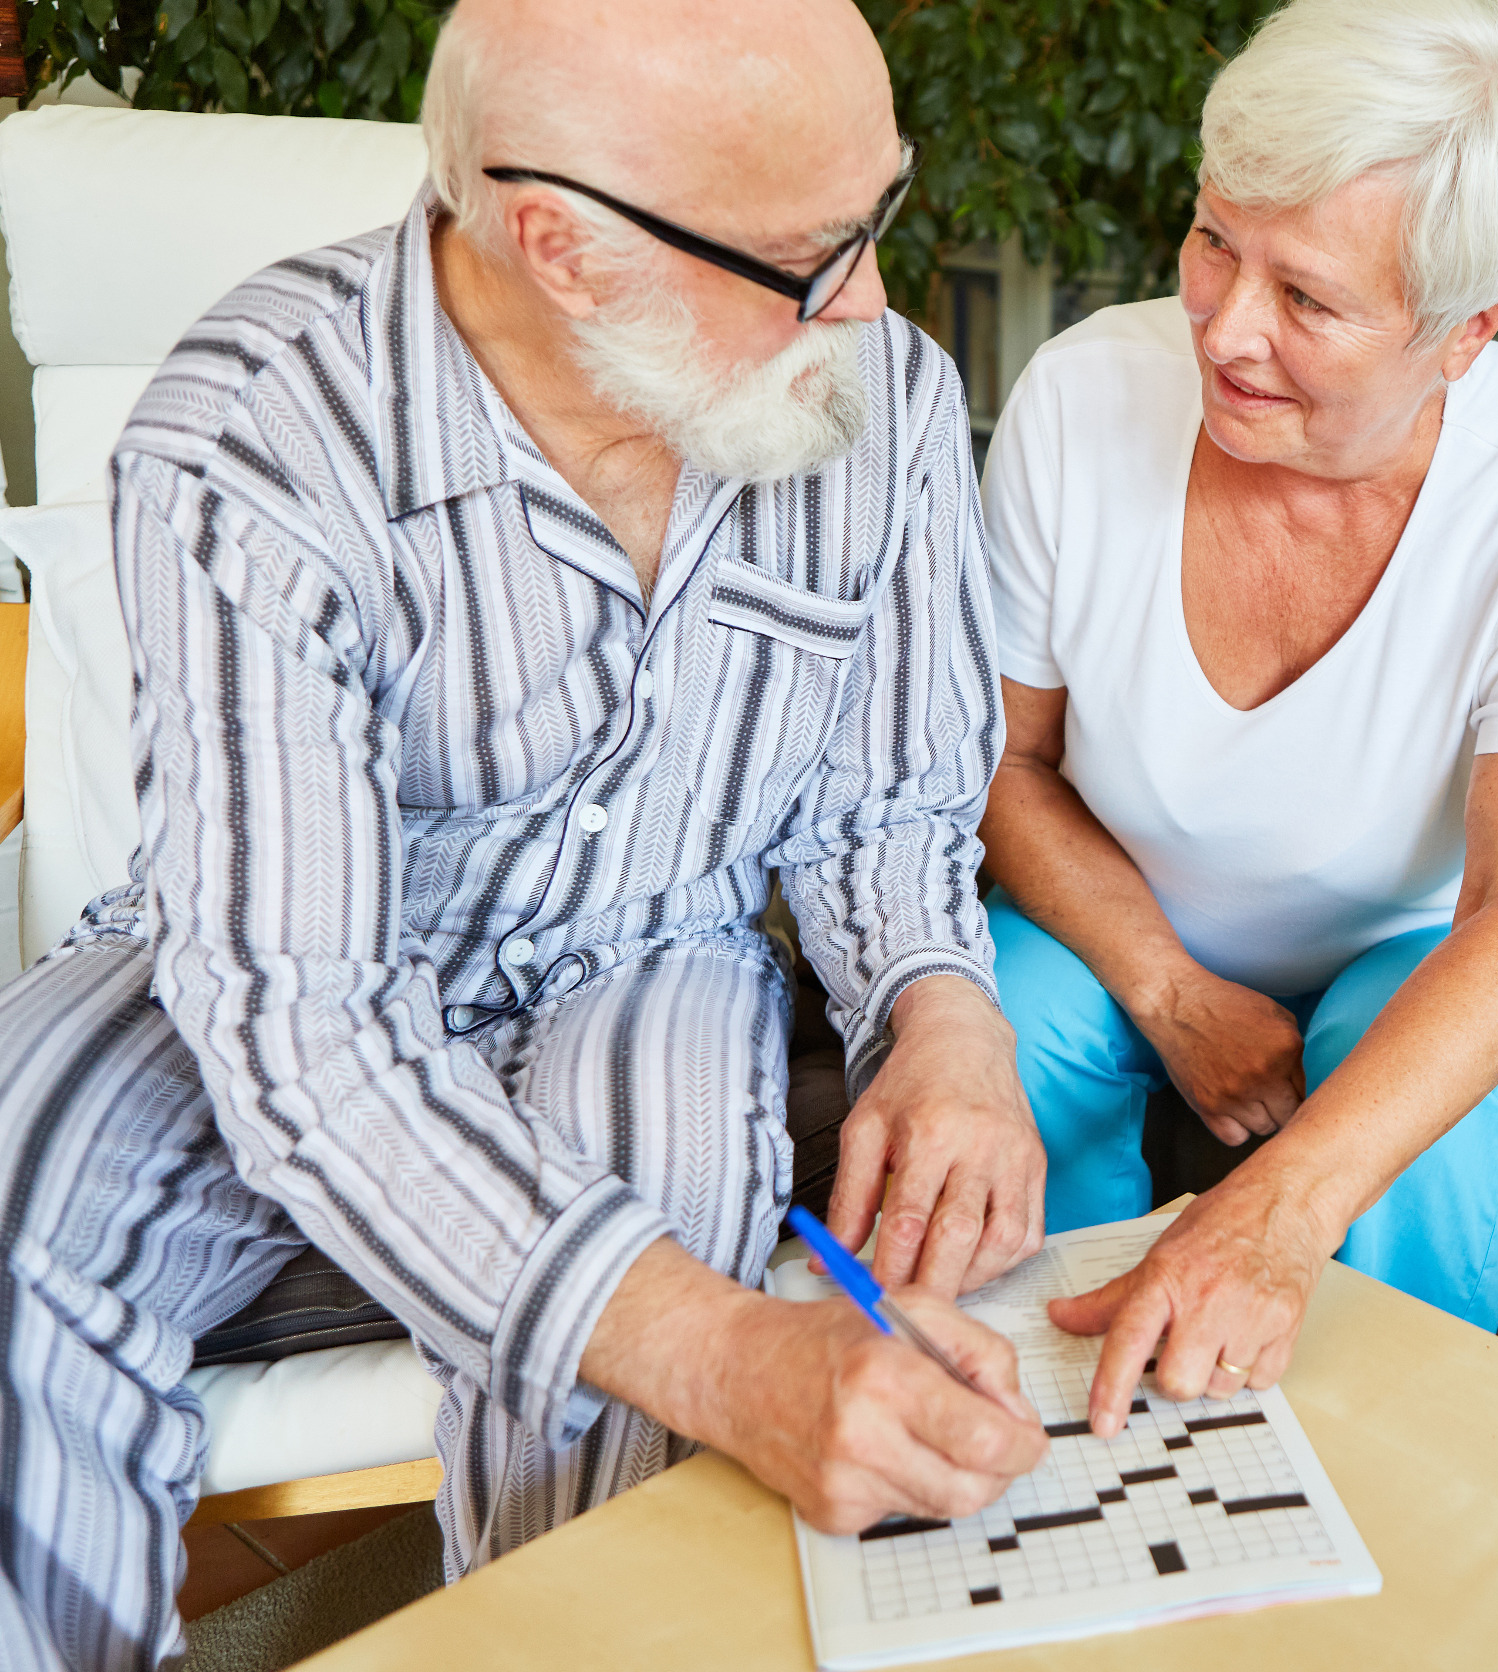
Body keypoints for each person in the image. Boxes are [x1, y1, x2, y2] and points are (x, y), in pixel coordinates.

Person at [0, 1, 1052, 1665]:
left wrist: (943, 1009)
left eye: (881, 215)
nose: (867, 300)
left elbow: (887, 801)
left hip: (652, 952)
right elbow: (302, 1019)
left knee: (670, 1155)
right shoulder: (260, 426)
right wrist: (718, 1352)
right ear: (560, 244)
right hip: (282, 959)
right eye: (809, 255)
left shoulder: (887, 403)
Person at [956, 0, 1498, 1438]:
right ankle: (1019, 1449)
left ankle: (1366, 1496)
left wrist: (1275, 1211)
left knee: (1426, 1150)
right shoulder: (1085, 390)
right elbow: (1005, 761)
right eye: (1217, 241)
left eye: (1311, 300)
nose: (1224, 331)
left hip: (1418, 937)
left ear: (1468, 330)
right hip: (1112, 908)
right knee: (996, 1030)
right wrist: (1166, 989)